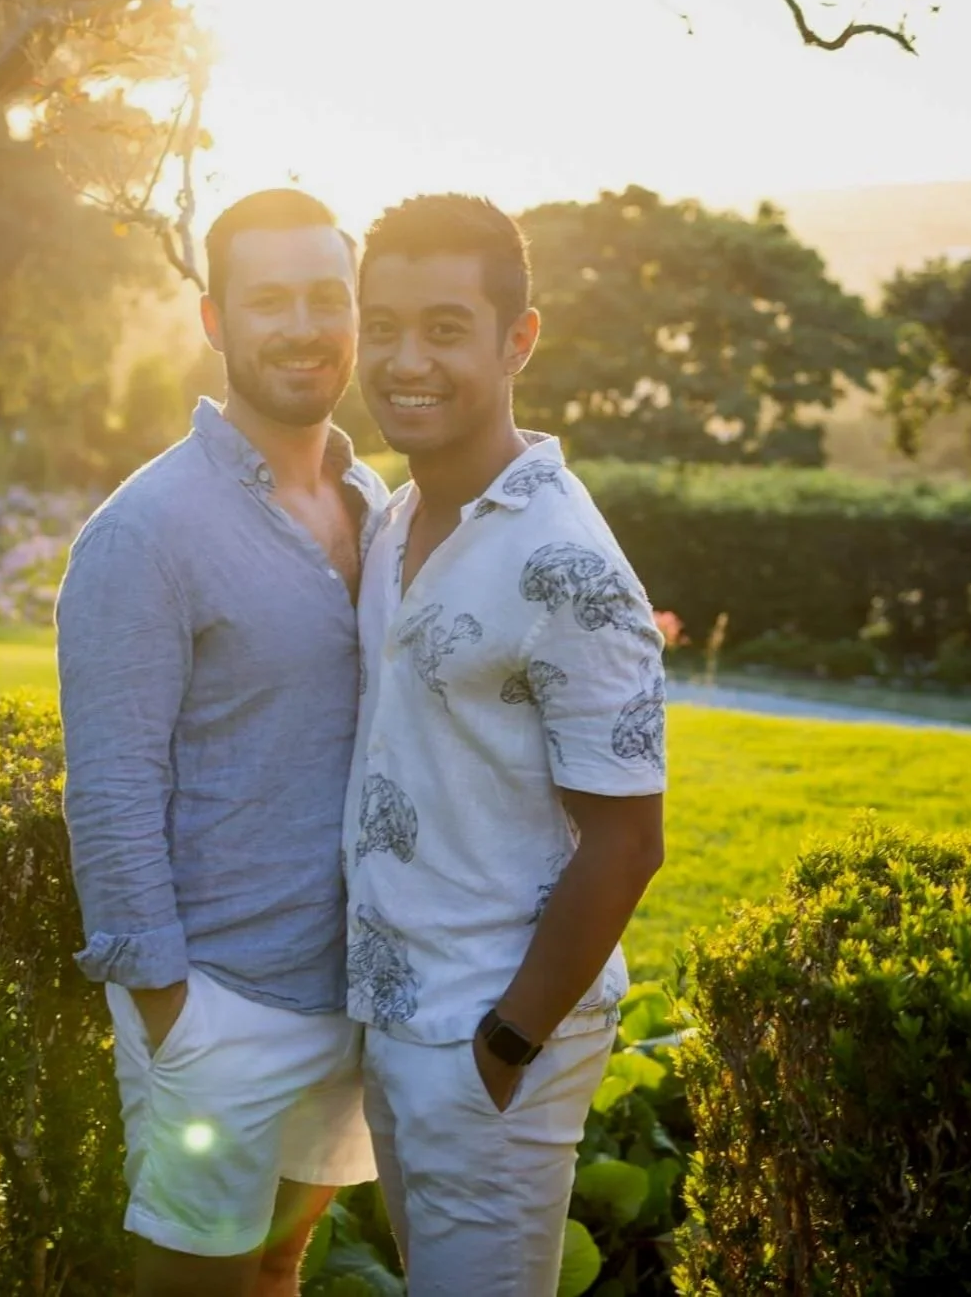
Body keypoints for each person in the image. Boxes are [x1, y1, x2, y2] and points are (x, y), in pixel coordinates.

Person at [56, 188, 387, 1297]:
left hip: (351, 996)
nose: (302, 325)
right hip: (220, 1004)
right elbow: (108, 794)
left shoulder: (372, 500)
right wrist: (172, 1018)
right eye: (270, 300)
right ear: (213, 318)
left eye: (325, 296)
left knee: (279, 1272)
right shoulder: (143, 532)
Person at [344, 193, 668, 1294]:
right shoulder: (396, 517)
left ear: (515, 339)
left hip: (490, 1032)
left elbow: (626, 842)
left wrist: (506, 1046)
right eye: (379, 324)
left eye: (443, 326)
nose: (403, 359)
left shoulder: (565, 562)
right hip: (394, 1012)